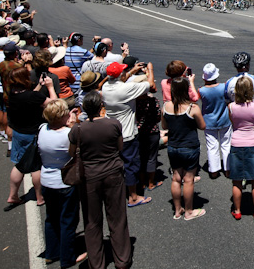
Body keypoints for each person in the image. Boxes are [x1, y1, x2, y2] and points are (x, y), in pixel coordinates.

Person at [68, 91, 132, 269]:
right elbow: (120, 146)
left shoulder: (77, 130)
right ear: (101, 107)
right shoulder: (113, 124)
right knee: (117, 217)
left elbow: (72, 153)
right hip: (113, 173)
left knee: (92, 221)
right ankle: (122, 259)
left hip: (89, 177)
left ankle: (97, 263)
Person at [38, 99, 86, 268]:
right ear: (63, 116)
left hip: (47, 180)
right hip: (65, 181)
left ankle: (51, 252)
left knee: (51, 217)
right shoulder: (68, 134)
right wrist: (73, 125)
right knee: (68, 220)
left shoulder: (42, 129)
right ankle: (67, 257)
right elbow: (77, 151)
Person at [101, 61, 155, 207]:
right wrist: (149, 69)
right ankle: (133, 197)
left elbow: (120, 78)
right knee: (131, 164)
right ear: (120, 75)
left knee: (116, 163)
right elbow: (150, 84)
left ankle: (117, 190)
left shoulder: (106, 87)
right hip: (127, 133)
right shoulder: (126, 89)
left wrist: (131, 72)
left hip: (111, 132)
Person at [6, 67, 57, 209]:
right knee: (36, 167)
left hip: (18, 132)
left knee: (20, 165)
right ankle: (39, 197)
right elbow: (54, 104)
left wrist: (39, 85)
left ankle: (13, 195)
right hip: (32, 134)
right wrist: (50, 87)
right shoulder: (33, 97)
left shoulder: (13, 94)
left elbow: (29, 97)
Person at [162, 77, 206, 220]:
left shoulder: (167, 106)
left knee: (176, 178)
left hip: (173, 146)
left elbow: (164, 126)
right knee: (188, 179)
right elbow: (202, 126)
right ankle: (188, 211)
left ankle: (177, 210)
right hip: (189, 146)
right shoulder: (192, 108)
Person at [228, 76, 254, 220]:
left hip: (237, 142)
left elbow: (233, 123)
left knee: (237, 180)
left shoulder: (231, 107)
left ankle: (237, 210)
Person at [198, 63, 231, 179]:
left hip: (209, 121)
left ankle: (214, 171)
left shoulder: (201, 91)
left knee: (212, 146)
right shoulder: (223, 87)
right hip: (224, 119)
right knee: (226, 145)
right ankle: (228, 169)